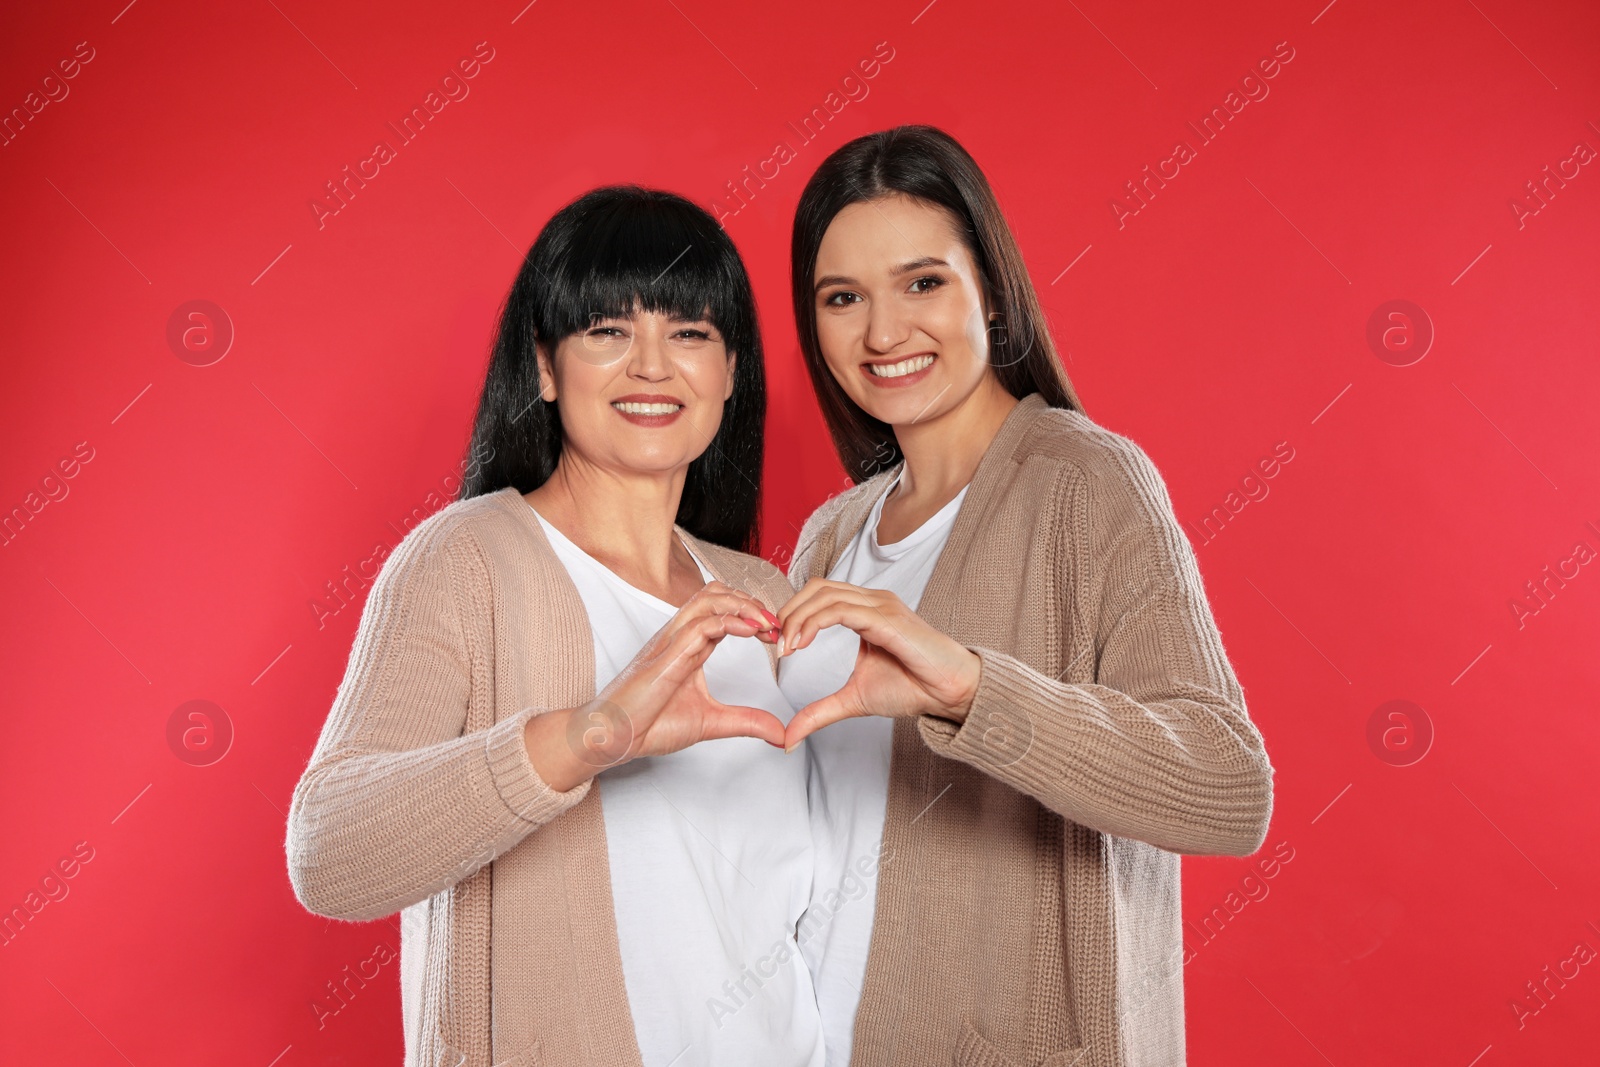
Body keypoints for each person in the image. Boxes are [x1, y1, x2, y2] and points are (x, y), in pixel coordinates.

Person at [285, 185, 824, 1067]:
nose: (653, 365)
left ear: (730, 372)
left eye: (690, 332)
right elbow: (331, 855)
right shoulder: (467, 561)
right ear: (543, 366)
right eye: (607, 331)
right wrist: (589, 736)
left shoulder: (762, 597)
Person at [772, 126, 1276, 1067]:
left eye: (923, 282)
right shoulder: (830, 537)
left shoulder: (1085, 481)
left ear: (992, 291)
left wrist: (969, 689)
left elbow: (1228, 788)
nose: (883, 333)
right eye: (843, 297)